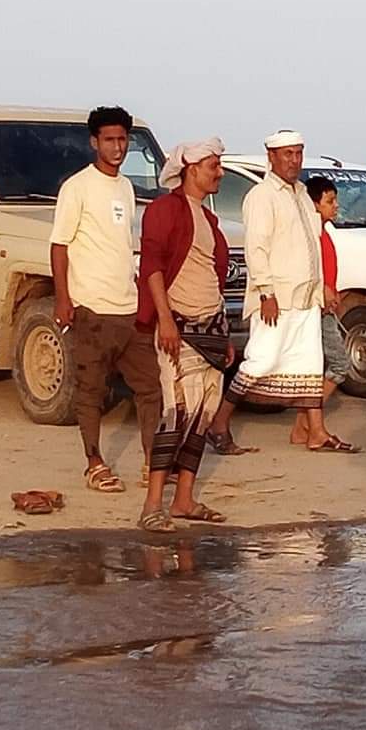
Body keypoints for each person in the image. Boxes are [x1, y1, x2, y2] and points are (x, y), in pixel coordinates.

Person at [208, 130, 355, 453]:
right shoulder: (262, 196)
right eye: (287, 154)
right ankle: (219, 423)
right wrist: (266, 293)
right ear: (271, 156)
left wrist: (323, 288)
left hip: (306, 298)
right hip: (277, 299)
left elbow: (312, 246)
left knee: (309, 365)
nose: (293, 160)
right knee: (259, 362)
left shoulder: (302, 193)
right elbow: (256, 249)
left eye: (298, 153)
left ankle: (316, 431)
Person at [50, 106, 161, 494]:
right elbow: (60, 246)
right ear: (95, 142)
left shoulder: (126, 187)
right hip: (91, 306)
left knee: (150, 386)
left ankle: (152, 461)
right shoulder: (77, 187)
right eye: (110, 140)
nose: (117, 147)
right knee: (91, 390)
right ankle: (94, 462)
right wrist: (64, 299)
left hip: (127, 306)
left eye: (122, 139)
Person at [137, 137, 236, 532]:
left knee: (203, 416)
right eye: (214, 165)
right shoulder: (165, 210)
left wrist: (224, 335)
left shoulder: (207, 219)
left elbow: (213, 280)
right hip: (180, 326)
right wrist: (164, 318)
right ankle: (151, 504)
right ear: (192, 168)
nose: (220, 172)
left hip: (210, 327)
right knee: (175, 414)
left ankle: (183, 500)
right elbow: (152, 266)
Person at [303, 175, 359, 449]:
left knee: (320, 367)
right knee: (338, 365)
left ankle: (307, 426)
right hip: (317, 308)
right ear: (315, 204)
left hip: (325, 306)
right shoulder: (311, 234)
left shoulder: (324, 232)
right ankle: (309, 425)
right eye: (329, 200)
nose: (335, 206)